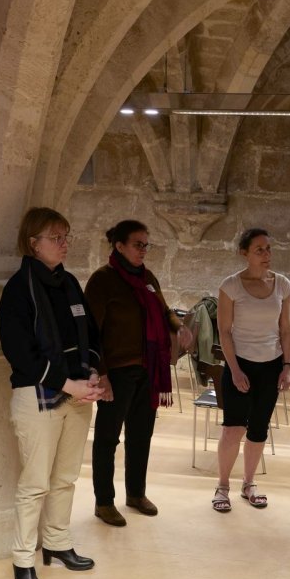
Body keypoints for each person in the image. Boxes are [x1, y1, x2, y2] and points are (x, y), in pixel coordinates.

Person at [0, 207, 101, 579]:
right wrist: (67, 383)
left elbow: (91, 333)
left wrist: (92, 372)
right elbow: (19, 354)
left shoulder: (70, 283)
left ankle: (57, 543)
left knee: (66, 478)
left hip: (78, 393)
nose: (64, 243)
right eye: (55, 237)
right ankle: (24, 559)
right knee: (35, 483)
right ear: (32, 243)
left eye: (66, 236)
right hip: (37, 395)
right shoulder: (18, 289)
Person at [85, 220, 193, 526]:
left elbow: (164, 310)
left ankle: (135, 493)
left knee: (141, 435)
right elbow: (91, 332)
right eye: (138, 244)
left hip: (147, 369)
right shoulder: (102, 280)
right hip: (116, 372)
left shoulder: (147, 278)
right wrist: (101, 373)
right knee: (107, 438)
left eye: (147, 244)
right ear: (119, 246)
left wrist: (178, 326)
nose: (144, 250)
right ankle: (104, 502)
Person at [211, 228, 290, 512]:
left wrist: (287, 366)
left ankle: (249, 483)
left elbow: (286, 329)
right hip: (240, 363)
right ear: (244, 253)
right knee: (233, 429)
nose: (266, 254)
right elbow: (224, 332)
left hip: (270, 366)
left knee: (258, 429)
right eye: (259, 249)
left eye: (268, 249)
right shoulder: (231, 286)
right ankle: (222, 485)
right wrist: (234, 370)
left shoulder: (282, 284)